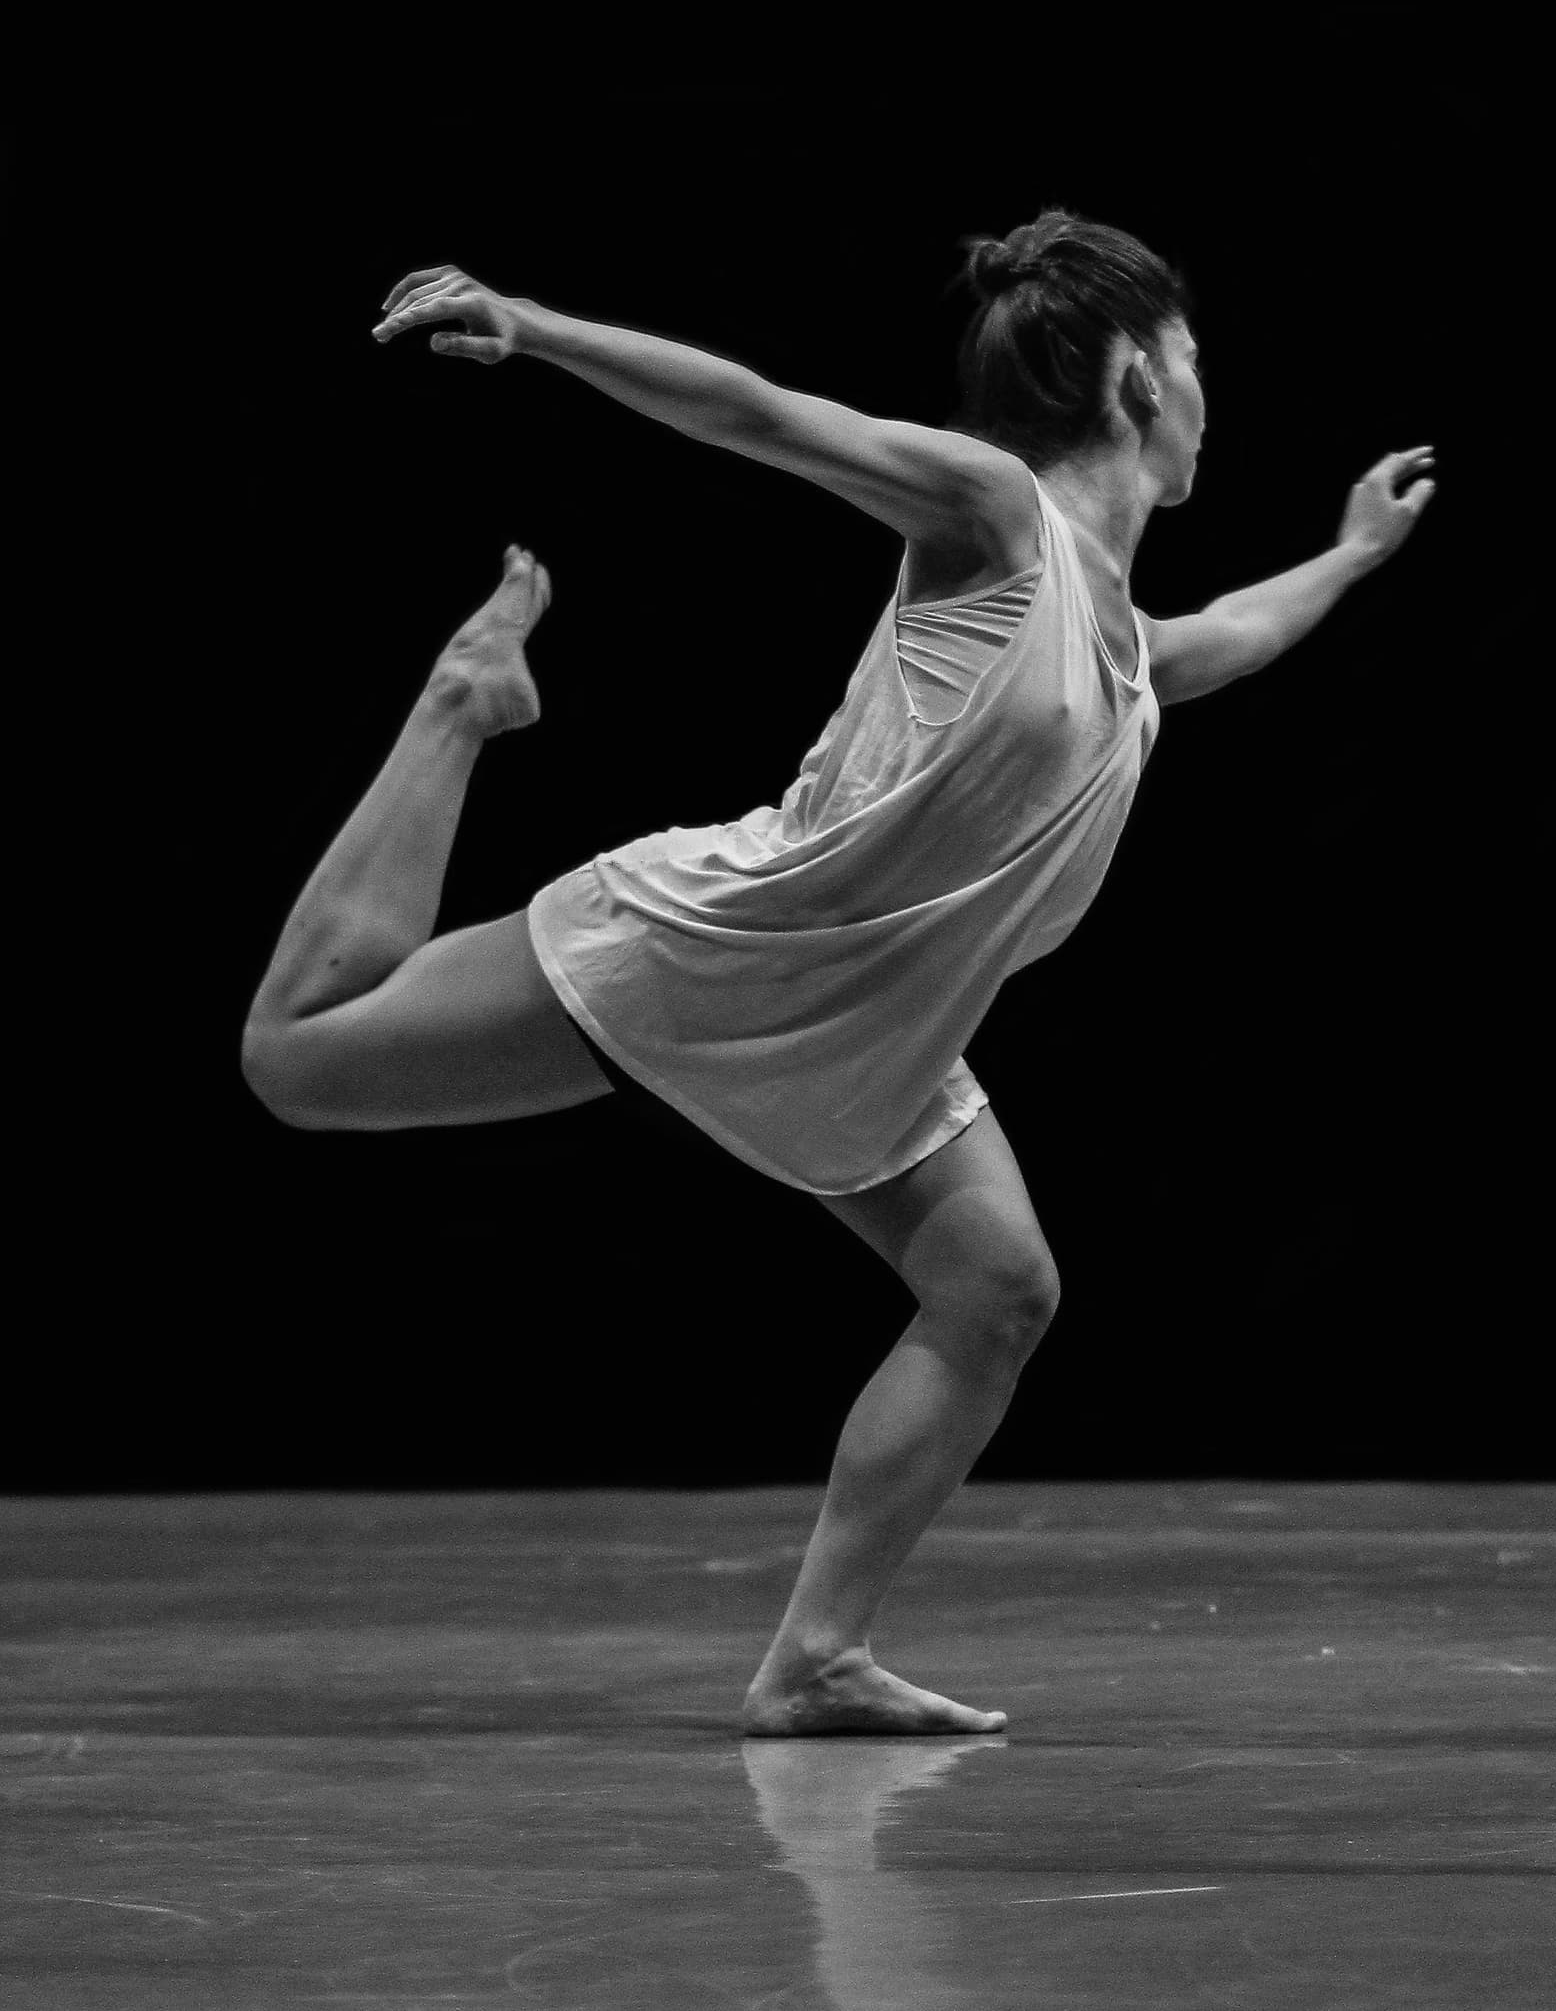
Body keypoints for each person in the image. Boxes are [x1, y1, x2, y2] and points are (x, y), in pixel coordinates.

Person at [241, 209, 1435, 1736]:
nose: (1211, 388)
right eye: (1195, 355)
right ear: (1137, 375)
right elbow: (761, 411)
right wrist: (532, 322)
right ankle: (465, 700)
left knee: (998, 1289)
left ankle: (811, 1656)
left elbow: (1231, 635)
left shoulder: (1122, 638)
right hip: (725, 947)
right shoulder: (996, 512)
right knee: (295, 1058)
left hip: (880, 1034)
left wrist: (1347, 552)